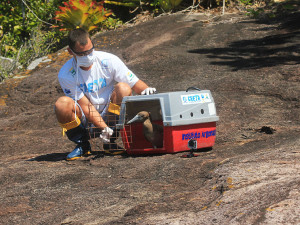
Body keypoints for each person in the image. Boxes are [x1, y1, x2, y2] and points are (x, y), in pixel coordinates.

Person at [55, 28, 156, 160]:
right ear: (70, 52)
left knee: (124, 88)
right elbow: (85, 106)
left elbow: (134, 82)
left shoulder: (108, 60)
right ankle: (83, 145)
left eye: (90, 50)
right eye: (82, 54)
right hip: (86, 117)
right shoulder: (66, 73)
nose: (88, 56)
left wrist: (147, 91)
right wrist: (103, 127)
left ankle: (110, 141)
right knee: (62, 105)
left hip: (109, 113)